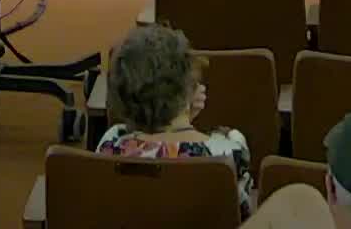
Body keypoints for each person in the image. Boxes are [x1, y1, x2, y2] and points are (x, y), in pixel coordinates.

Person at [96, 24, 253, 217]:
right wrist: (183, 116)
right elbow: (242, 215)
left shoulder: (110, 144)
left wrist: (181, 114)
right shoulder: (227, 153)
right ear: (187, 86)